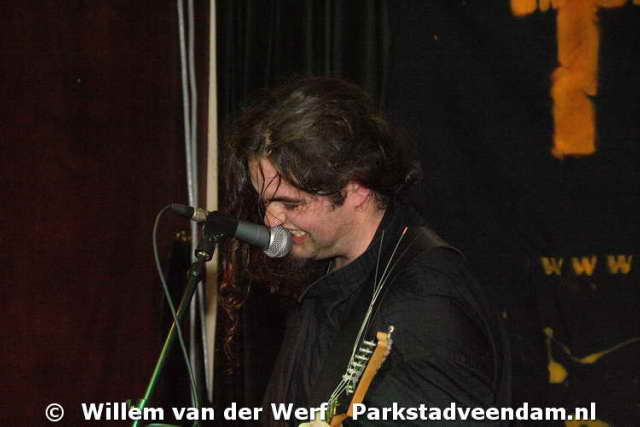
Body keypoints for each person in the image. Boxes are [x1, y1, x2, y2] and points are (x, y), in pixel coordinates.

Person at [222, 76, 510, 426]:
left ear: (356, 188)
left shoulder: (426, 303)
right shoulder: (325, 270)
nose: (272, 220)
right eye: (265, 202)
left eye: (291, 204)